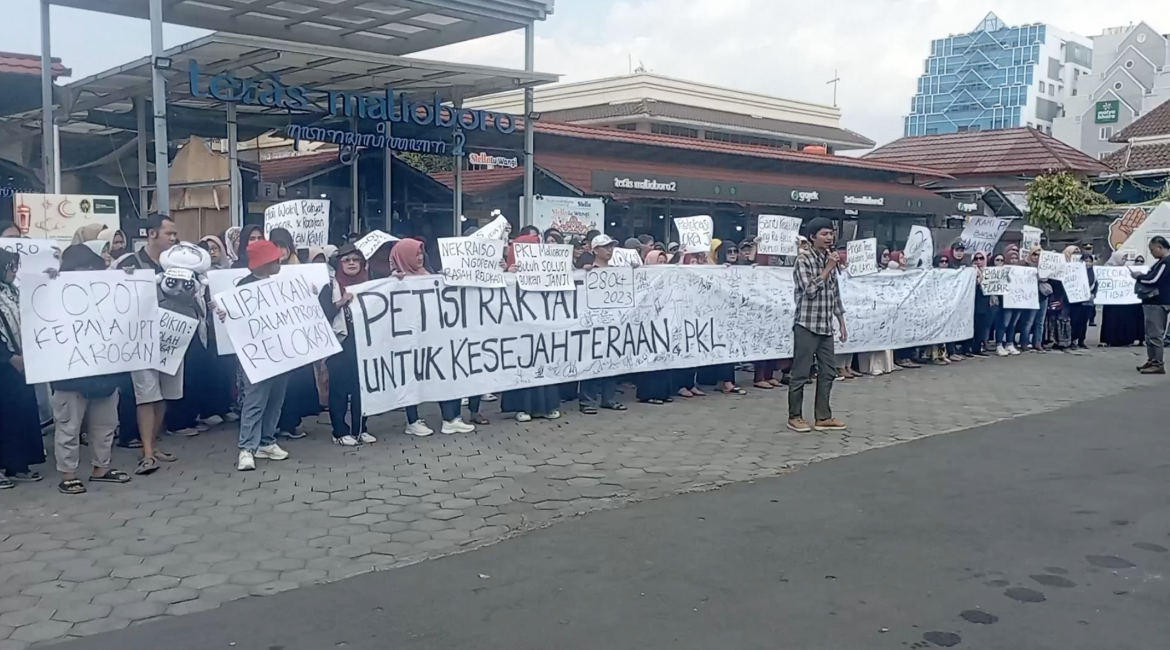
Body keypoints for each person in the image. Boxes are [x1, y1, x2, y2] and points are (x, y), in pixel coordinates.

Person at [48, 245, 133, 494]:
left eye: (90, 268)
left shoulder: (106, 289)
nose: (86, 273)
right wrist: (47, 281)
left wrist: (129, 280)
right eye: (80, 268)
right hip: (69, 374)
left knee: (105, 424)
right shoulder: (53, 290)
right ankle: (68, 473)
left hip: (104, 370)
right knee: (68, 426)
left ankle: (101, 468)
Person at [390, 239, 477, 435]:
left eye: (421, 253)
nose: (419, 257)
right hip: (411, 341)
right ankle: (413, 421)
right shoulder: (394, 282)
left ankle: (450, 418)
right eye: (415, 254)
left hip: (437, 338)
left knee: (445, 375)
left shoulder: (431, 276)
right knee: (413, 379)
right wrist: (395, 282)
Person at [220, 240, 293, 470]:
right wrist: (225, 314)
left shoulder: (282, 283)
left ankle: (266, 441)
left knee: (276, 398)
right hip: (257, 354)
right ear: (263, 263)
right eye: (274, 259)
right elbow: (236, 318)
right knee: (255, 400)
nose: (279, 260)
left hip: (281, 351)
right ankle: (247, 448)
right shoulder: (244, 287)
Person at [129, 214, 180, 474]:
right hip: (140, 339)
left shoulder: (180, 264)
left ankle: (155, 444)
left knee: (165, 395)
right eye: (168, 233)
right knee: (147, 395)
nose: (173, 238)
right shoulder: (128, 263)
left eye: (174, 234)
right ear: (151, 234)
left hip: (173, 338)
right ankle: (147, 452)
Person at [788, 218, 847, 433]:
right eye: (824, 234)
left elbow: (835, 294)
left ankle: (823, 416)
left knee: (829, 371)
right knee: (801, 373)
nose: (829, 238)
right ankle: (794, 415)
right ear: (812, 237)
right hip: (806, 324)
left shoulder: (829, 258)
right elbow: (810, 291)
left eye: (831, 234)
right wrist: (828, 268)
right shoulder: (803, 260)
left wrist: (841, 321)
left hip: (825, 325)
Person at [318, 245, 377, 446]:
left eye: (355, 259)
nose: (351, 263)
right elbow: (322, 316)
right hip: (341, 347)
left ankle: (361, 428)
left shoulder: (371, 285)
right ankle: (340, 431)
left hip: (366, 345)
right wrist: (341, 302)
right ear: (339, 263)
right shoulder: (330, 288)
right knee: (340, 391)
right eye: (346, 260)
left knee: (362, 389)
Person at [0, 249, 46, 488]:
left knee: (20, 414)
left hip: (21, 365)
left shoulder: (14, 292)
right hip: (5, 364)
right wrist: (8, 357)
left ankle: (18, 464)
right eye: (9, 266)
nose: (14, 271)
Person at [579, 235, 627, 414]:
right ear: (595, 250)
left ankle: (609, 398)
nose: (609, 250)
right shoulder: (587, 271)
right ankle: (587, 401)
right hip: (593, 323)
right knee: (591, 361)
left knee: (612, 362)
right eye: (605, 247)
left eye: (611, 246)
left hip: (613, 323)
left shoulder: (617, 270)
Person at [1133, 236, 1170, 374]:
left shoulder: (1166, 262)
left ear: (1160, 247)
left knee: (1155, 334)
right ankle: (1152, 359)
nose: (1152, 252)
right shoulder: (1161, 262)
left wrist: (1138, 277)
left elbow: (1154, 280)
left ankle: (1158, 363)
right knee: (1150, 334)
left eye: (1152, 249)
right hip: (1153, 302)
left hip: (1158, 301)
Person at [996, 247, 1023, 356]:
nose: (1014, 259)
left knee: (1013, 324)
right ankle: (999, 344)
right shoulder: (1003, 270)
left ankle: (1009, 343)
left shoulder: (1022, 271)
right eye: (1011, 257)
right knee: (1004, 323)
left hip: (1018, 300)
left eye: (1016, 258)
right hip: (1006, 301)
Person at [1071, 253, 1097, 349]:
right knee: (1075, 322)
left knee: (1084, 322)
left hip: (1088, 302)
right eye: (1086, 261)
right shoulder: (1076, 272)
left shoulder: (1093, 273)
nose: (1088, 263)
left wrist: (1094, 294)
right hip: (1077, 302)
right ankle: (1073, 340)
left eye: (1090, 261)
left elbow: (1096, 285)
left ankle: (1081, 341)